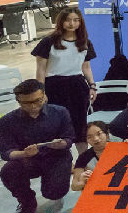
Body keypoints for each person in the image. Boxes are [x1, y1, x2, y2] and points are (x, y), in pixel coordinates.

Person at [0, 79, 74, 213]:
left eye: (38, 101)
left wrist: (60, 144)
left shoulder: (60, 112)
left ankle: (56, 190)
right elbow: (6, 152)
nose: (33, 106)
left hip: (56, 157)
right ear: (18, 101)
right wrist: (24, 153)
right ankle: (27, 202)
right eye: (27, 103)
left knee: (53, 193)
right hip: (28, 161)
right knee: (9, 170)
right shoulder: (7, 122)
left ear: (44, 96)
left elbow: (69, 139)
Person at [32, 8, 96, 153]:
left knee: (80, 124)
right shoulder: (48, 41)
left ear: (80, 22)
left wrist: (92, 86)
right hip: (54, 86)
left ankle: (83, 159)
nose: (72, 24)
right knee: (56, 124)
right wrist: (41, 92)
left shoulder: (85, 42)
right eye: (68, 20)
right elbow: (40, 70)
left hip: (78, 86)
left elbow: (86, 67)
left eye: (76, 20)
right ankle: (62, 159)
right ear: (61, 22)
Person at [71, 121, 110, 191]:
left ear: (106, 134)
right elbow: (74, 186)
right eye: (89, 137)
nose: (95, 139)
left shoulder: (120, 149)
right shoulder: (84, 157)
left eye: (99, 134)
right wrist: (82, 182)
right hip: (100, 191)